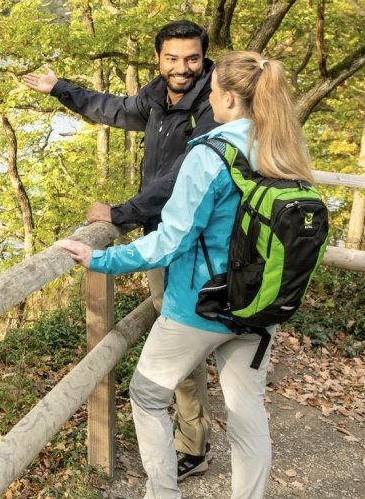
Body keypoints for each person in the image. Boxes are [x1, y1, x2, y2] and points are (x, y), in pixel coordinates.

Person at [52, 52, 314, 499]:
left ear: (230, 98)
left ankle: (163, 495)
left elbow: (170, 240)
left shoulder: (211, 154)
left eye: (212, 92)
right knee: (247, 413)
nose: (207, 99)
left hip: (199, 304)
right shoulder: (283, 149)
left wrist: (100, 260)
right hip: (260, 304)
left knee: (148, 394)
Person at [20, 19, 218, 478]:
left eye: (191, 58)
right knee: (177, 330)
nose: (182, 67)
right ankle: (194, 438)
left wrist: (121, 212)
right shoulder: (157, 98)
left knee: (180, 336)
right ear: (159, 58)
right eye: (172, 58)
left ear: (204, 57)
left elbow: (182, 177)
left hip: (191, 240)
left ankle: (192, 446)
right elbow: (111, 108)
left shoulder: (209, 108)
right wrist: (59, 89)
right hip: (162, 234)